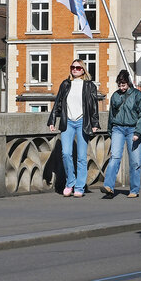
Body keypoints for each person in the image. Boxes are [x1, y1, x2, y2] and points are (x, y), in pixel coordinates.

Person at [47, 59, 101, 197]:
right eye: (73, 67)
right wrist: (52, 120)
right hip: (68, 122)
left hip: (83, 122)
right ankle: (70, 182)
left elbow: (94, 106)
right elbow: (58, 102)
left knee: (82, 157)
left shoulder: (89, 86)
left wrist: (95, 124)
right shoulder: (65, 84)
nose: (75, 70)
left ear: (83, 70)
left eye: (78, 68)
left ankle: (79, 187)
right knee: (66, 153)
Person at [102, 69, 141, 198]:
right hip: (118, 128)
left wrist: (138, 132)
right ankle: (108, 186)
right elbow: (111, 114)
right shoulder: (115, 96)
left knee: (135, 161)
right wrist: (110, 131)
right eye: (119, 85)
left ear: (128, 83)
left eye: (124, 85)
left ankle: (134, 190)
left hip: (133, 129)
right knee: (114, 157)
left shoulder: (137, 95)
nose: (121, 87)